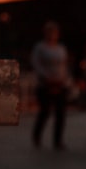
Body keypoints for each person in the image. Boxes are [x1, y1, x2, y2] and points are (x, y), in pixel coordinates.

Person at [31, 21, 71, 150]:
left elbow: (64, 66)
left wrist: (63, 79)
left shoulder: (61, 48)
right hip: (45, 84)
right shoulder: (40, 47)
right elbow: (37, 64)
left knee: (61, 113)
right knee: (45, 111)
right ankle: (37, 135)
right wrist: (47, 78)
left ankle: (58, 140)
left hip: (60, 83)